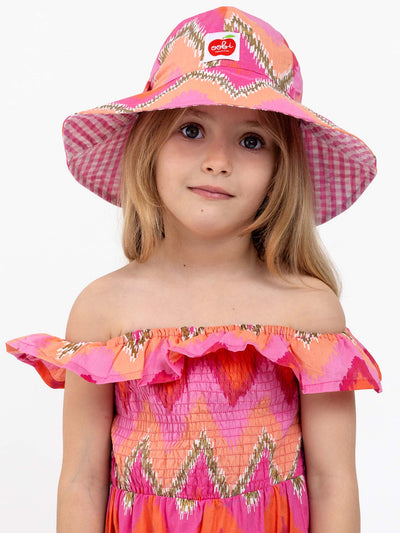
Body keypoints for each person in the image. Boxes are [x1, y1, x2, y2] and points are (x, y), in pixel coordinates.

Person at [5, 6, 382, 533]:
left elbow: (333, 481)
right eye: (191, 129)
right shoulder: (104, 310)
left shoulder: (308, 312)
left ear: (281, 169)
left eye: (252, 140)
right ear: (148, 147)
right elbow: (82, 481)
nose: (218, 160)